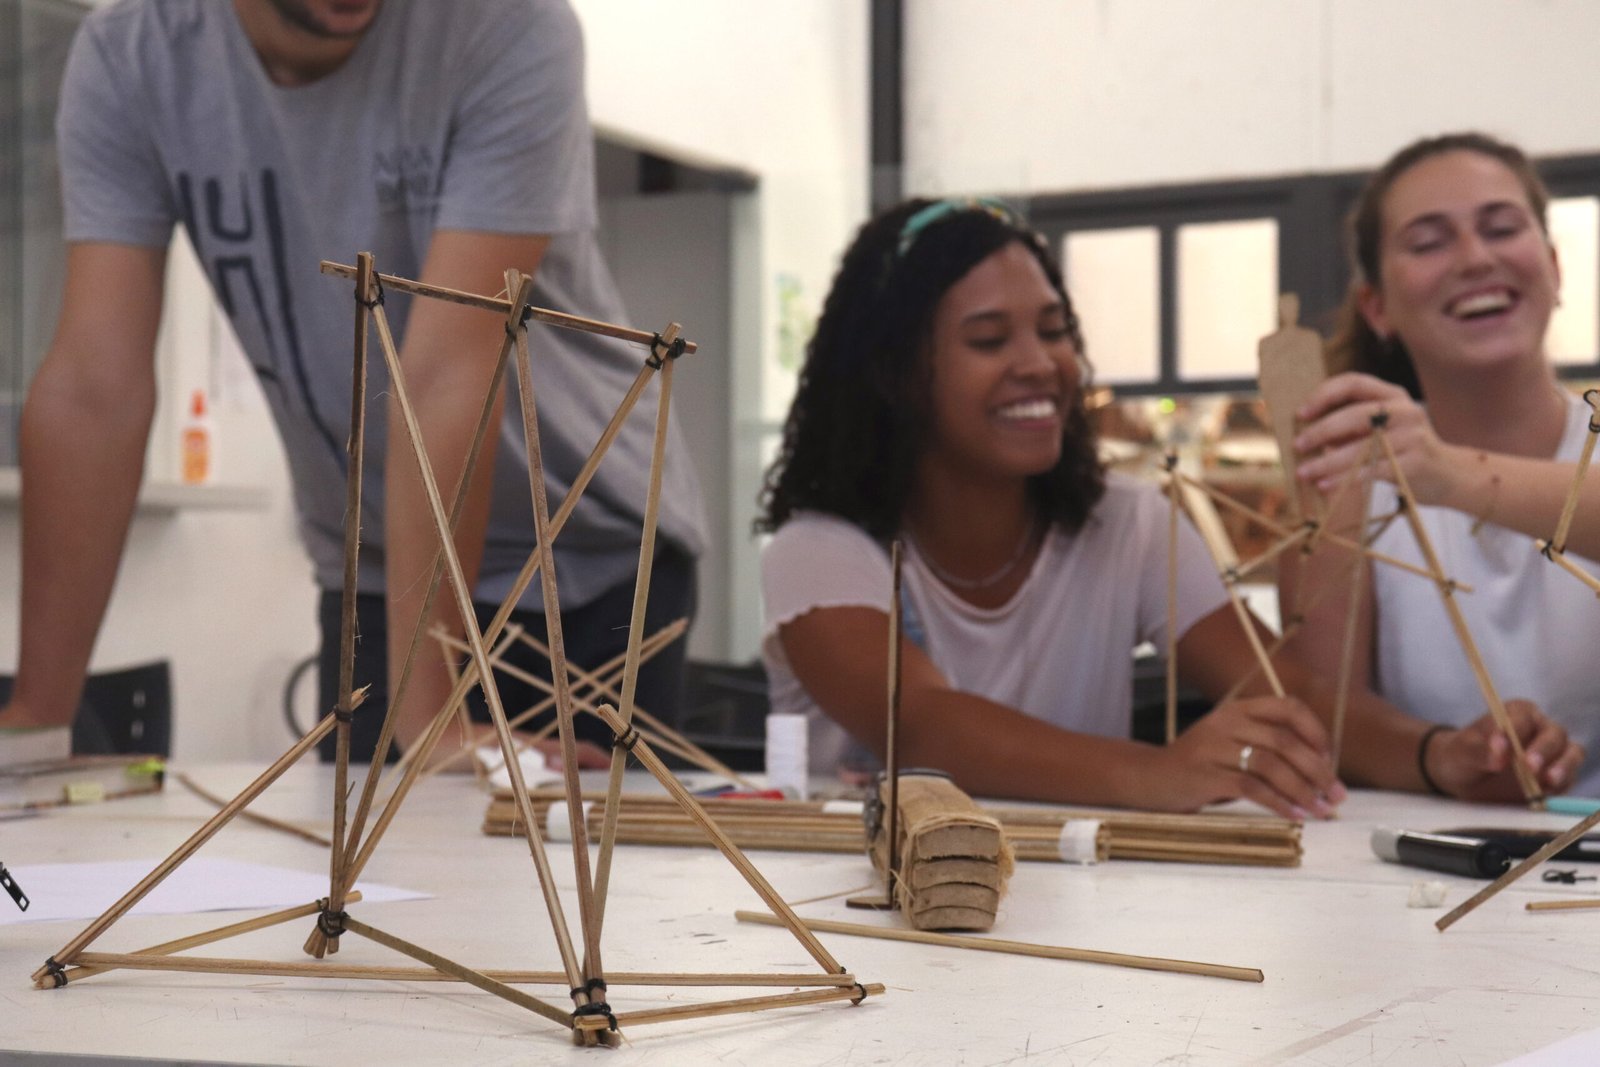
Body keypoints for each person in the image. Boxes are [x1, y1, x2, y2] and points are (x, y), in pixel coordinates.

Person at [0, 0, 706, 768]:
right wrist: (39, 718)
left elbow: (444, 372)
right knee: (366, 840)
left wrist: (430, 718)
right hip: (375, 563)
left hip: (585, 556)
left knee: (559, 842)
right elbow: (94, 390)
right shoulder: (133, 55)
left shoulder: (506, 24)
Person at [756, 197, 1348, 820]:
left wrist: (1419, 753)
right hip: (863, 883)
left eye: (1054, 330)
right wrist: (1158, 772)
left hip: (1088, 879)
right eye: (988, 340)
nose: (1040, 364)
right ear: (893, 373)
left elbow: (1291, 697)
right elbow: (922, 727)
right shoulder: (819, 551)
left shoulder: (1130, 524)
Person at [1284, 132, 1593, 799]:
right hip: (1426, 847)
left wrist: (1447, 473)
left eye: (1501, 228)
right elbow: (1320, 707)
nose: (1476, 258)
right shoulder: (1349, 471)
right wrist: (1443, 754)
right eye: (1428, 243)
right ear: (1377, 307)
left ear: (1554, 267)